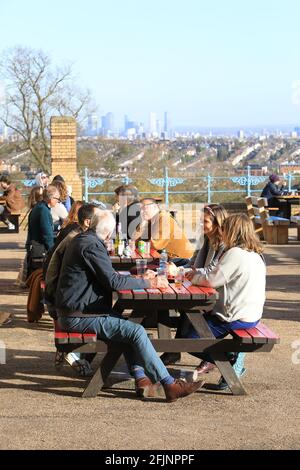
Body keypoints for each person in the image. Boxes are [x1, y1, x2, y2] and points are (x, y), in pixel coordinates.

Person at [55, 209, 203, 402]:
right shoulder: (91, 247)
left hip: (78, 310)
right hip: (79, 316)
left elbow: (109, 278)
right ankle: (169, 384)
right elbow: (114, 283)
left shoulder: (85, 240)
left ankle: (141, 379)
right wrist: (149, 283)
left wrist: (138, 279)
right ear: (108, 233)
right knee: (136, 332)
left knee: (132, 329)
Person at [186, 213, 266, 390]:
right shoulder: (255, 254)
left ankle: (231, 358)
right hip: (251, 313)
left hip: (234, 316)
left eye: (224, 229)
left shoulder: (235, 253)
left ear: (232, 231)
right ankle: (231, 358)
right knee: (192, 326)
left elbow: (211, 280)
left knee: (190, 340)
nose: (221, 232)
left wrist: (191, 276)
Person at [161, 204, 228, 366]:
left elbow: (210, 272)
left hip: (217, 296)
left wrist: (179, 272)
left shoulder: (224, 245)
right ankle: (173, 352)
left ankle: (220, 357)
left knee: (189, 311)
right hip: (202, 287)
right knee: (183, 305)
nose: (200, 225)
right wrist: (179, 270)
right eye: (200, 221)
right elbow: (193, 264)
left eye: (204, 221)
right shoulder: (205, 239)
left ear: (218, 223)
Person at [26, 185, 61, 276]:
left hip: (35, 248)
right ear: (51, 198)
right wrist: (52, 252)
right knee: (39, 278)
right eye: (57, 199)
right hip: (40, 250)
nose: (58, 201)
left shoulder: (39, 207)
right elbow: (47, 235)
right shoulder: (43, 210)